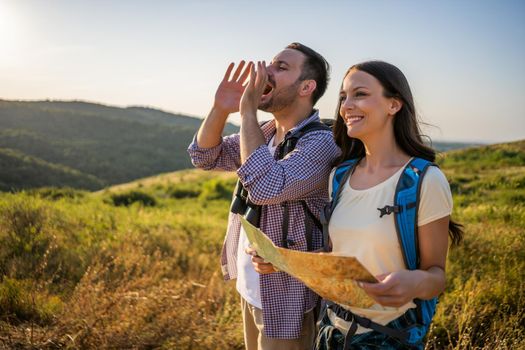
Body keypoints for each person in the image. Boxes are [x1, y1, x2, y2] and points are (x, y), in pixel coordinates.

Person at [187, 43, 340, 350]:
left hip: (288, 297)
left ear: (306, 87)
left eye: (281, 68)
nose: (266, 71)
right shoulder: (267, 133)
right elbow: (204, 156)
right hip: (252, 288)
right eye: (270, 64)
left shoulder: (321, 143)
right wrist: (220, 108)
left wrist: (245, 111)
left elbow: (265, 186)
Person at [314, 61, 463, 350]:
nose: (346, 106)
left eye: (360, 94)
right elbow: (340, 257)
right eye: (343, 97)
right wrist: (284, 262)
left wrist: (413, 283)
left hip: (388, 338)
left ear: (394, 105)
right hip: (331, 330)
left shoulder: (423, 180)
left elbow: (436, 276)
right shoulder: (339, 176)